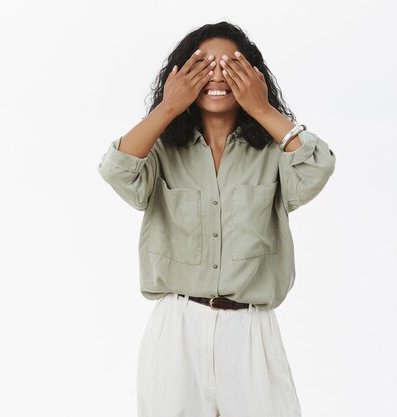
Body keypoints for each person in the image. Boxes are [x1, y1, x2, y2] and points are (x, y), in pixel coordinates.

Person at [98, 21, 336, 417]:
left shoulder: (272, 153)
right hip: (177, 330)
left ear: (252, 76)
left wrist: (261, 108)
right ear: (181, 75)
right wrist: (168, 107)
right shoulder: (162, 150)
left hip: (250, 330)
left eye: (231, 65)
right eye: (203, 64)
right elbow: (116, 170)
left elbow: (317, 168)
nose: (217, 75)